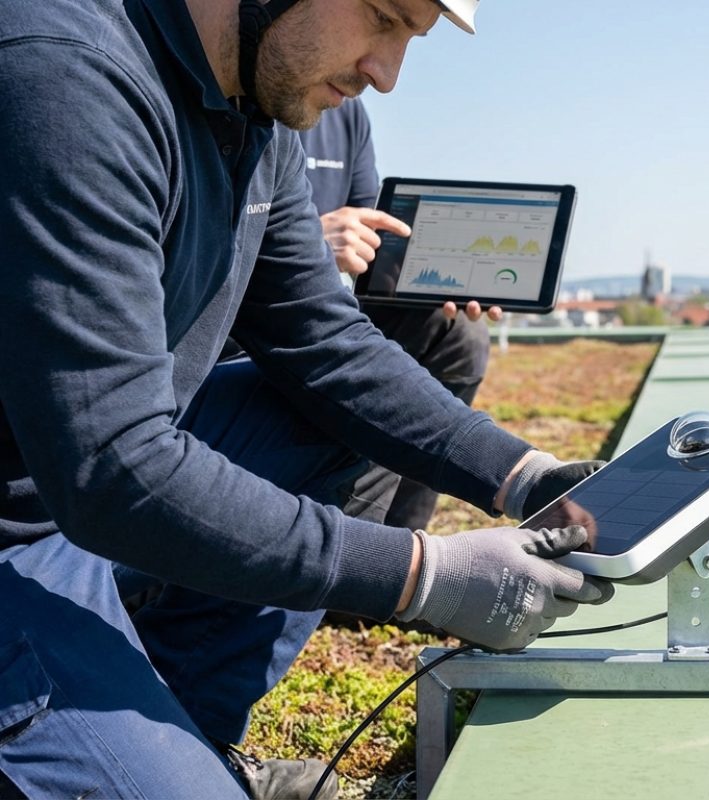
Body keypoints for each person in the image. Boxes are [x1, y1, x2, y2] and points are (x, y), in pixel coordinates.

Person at [0, 1, 613, 798]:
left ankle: (190, 727)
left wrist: (528, 477)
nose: (385, 75)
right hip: (26, 525)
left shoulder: (250, 108)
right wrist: (426, 574)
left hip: (69, 493)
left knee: (316, 416)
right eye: (383, 18)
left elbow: (325, 343)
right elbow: (115, 467)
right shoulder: (61, 76)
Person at [297, 98, 494, 531]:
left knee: (457, 333)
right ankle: (350, 554)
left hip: (318, 311)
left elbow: (375, 254)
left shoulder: (345, 111)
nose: (384, 79)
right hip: (255, 321)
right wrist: (308, 242)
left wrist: (451, 276)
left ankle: (399, 538)